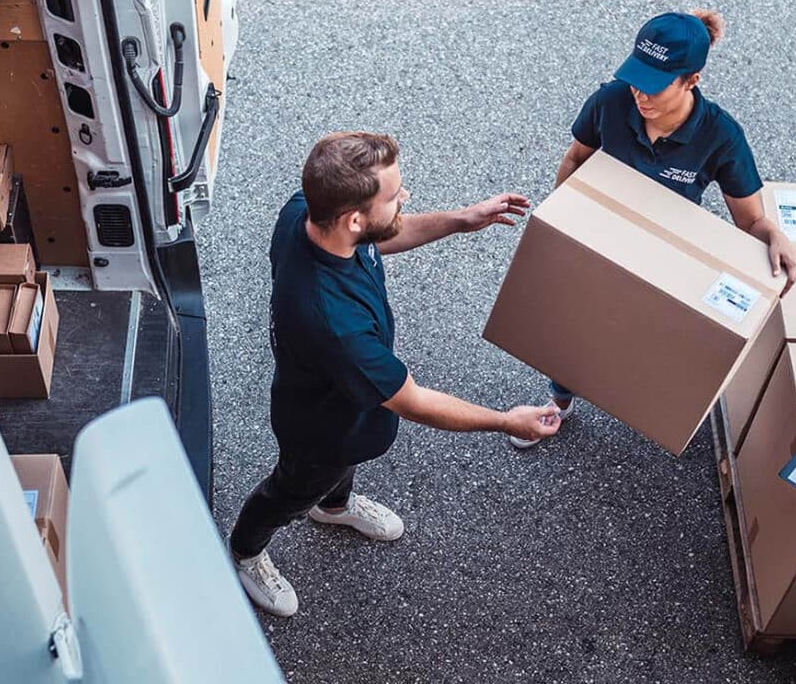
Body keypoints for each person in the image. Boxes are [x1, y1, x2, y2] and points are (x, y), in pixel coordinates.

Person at [229, 131, 561, 616]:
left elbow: (381, 237)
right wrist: (508, 422)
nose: (404, 197)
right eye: (394, 195)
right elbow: (413, 401)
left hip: (349, 406)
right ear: (354, 217)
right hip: (321, 429)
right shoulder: (337, 326)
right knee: (291, 489)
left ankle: (334, 507)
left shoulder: (306, 212)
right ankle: (245, 551)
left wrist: (461, 219)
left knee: (338, 470)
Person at [511, 9, 796, 450]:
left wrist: (775, 236)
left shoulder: (722, 137)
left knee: (643, 335)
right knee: (574, 326)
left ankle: (645, 403)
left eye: (656, 83)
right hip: (600, 237)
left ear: (691, 80)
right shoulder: (610, 102)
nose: (640, 93)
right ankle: (560, 400)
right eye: (636, 76)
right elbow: (575, 158)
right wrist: (562, 220)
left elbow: (750, 221)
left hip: (665, 254)